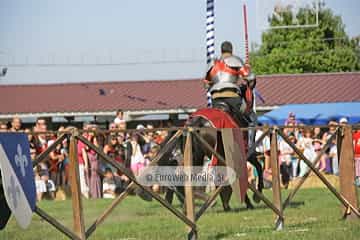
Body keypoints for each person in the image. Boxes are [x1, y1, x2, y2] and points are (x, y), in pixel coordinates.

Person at [204, 40, 257, 147]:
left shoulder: (213, 64)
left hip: (216, 100)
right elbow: (250, 78)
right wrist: (248, 70)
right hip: (232, 98)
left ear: (221, 50)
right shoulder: (235, 60)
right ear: (231, 50)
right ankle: (250, 147)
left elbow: (206, 84)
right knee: (251, 118)